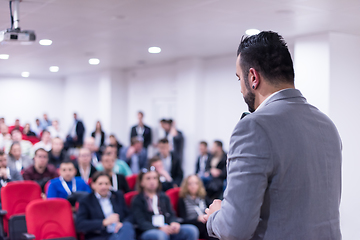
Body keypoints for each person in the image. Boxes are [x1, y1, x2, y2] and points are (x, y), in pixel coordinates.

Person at [204, 31, 342, 240]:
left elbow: (235, 228)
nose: (240, 89)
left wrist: (216, 216)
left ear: (253, 78)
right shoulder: (327, 125)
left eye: (239, 78)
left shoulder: (253, 127)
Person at [132, 168, 199, 240]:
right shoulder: (137, 200)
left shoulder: (164, 197)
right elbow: (141, 222)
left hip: (167, 227)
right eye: (148, 178)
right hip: (149, 230)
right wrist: (159, 228)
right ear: (142, 182)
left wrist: (174, 223)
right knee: (161, 236)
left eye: (155, 178)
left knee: (192, 230)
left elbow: (172, 214)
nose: (152, 181)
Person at [76, 171, 135, 240]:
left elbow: (130, 215)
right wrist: (104, 222)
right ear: (93, 185)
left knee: (127, 226)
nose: (104, 187)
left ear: (110, 184)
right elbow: (80, 224)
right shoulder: (86, 200)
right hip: (100, 235)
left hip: (119, 231)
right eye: (100, 184)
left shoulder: (118, 195)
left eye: (106, 184)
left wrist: (121, 224)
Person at [178, 175, 215, 240]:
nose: (193, 186)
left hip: (206, 221)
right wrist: (197, 219)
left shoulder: (203, 197)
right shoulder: (182, 200)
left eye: (195, 183)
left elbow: (212, 207)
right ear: (186, 186)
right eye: (190, 184)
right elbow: (183, 220)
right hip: (194, 224)